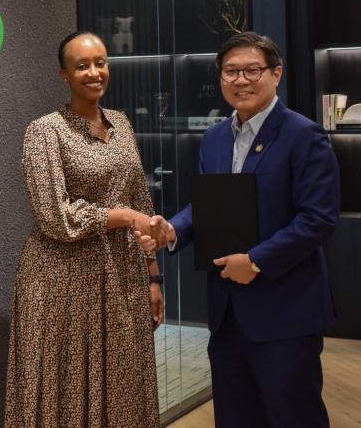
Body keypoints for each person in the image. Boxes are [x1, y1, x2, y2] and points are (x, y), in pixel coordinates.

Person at [139, 32, 340, 428]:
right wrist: (172, 230)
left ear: (276, 73)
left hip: (286, 312)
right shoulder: (214, 138)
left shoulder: (304, 135)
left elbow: (318, 218)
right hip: (227, 314)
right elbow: (208, 206)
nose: (241, 80)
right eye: (231, 71)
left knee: (293, 417)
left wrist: (257, 261)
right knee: (234, 417)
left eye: (252, 70)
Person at [5, 31, 167, 428]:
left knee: (124, 380)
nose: (94, 72)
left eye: (101, 62)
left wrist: (153, 276)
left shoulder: (122, 124)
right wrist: (123, 216)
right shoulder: (45, 131)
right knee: (68, 383)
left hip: (122, 278)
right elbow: (54, 216)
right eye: (82, 66)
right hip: (63, 281)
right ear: (64, 74)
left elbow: (140, 201)